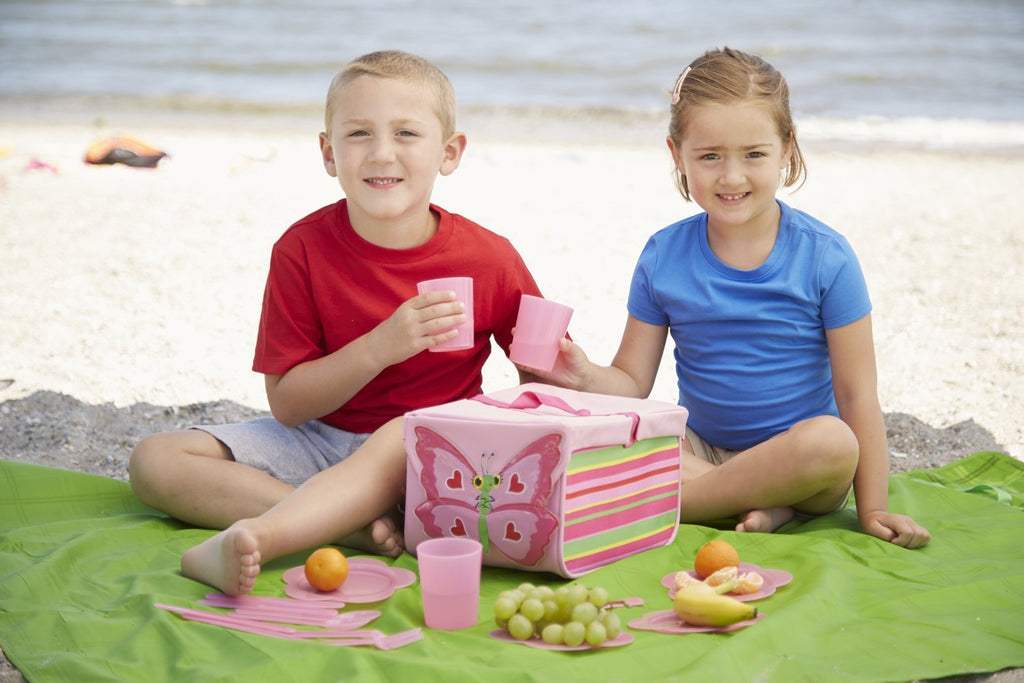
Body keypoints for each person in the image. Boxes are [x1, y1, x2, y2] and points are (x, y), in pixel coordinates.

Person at [128, 50, 546, 595]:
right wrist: (379, 347)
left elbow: (541, 386)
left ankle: (300, 522)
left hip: (430, 461)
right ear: (329, 153)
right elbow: (288, 405)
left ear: (449, 152)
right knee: (155, 461)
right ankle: (348, 525)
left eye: (405, 133)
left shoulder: (490, 258)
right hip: (320, 441)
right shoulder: (301, 249)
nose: (381, 152)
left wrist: (559, 373)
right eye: (358, 133)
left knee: (407, 435)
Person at [535, 47, 930, 549]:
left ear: (787, 148)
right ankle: (756, 501)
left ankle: (686, 502)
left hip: (801, 460)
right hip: (699, 448)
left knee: (834, 442)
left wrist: (873, 509)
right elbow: (632, 383)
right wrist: (583, 376)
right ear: (677, 154)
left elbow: (857, 397)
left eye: (754, 154)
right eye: (709, 156)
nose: (732, 176)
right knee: (624, 432)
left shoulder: (826, 257)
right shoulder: (663, 256)